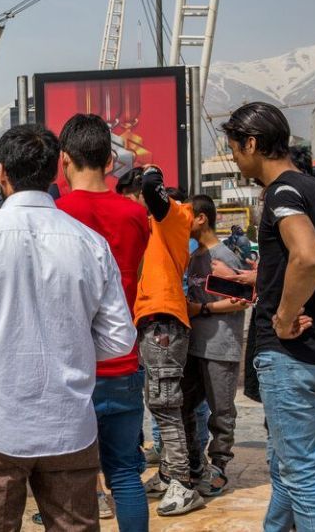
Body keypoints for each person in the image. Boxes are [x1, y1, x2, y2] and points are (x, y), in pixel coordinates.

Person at [0, 123, 136, 532]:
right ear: (57, 168)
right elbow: (118, 339)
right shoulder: (90, 243)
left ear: (1, 173)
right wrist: (71, 345)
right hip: (70, 424)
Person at [222, 102, 315, 532]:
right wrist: (261, 276)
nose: (233, 158)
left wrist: (284, 317)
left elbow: (308, 255)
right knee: (285, 469)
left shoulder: (283, 192)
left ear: (251, 143)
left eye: (234, 148)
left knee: (302, 475)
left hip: (290, 354)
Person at [55, 113, 150, 531]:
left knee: (70, 483)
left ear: (64, 160)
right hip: (123, 361)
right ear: (110, 160)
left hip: (71, 368)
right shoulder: (133, 216)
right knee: (126, 473)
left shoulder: (57, 214)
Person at [129, 163, 205, 516]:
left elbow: (151, 185)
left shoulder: (175, 215)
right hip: (157, 321)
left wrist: (150, 169)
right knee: (163, 402)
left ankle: (183, 483)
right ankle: (170, 472)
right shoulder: (162, 227)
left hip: (164, 321)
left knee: (165, 405)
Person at [181, 195, 250, 499]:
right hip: (195, 347)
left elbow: (240, 299)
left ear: (201, 218)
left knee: (221, 411)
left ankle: (219, 465)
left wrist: (201, 310)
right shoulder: (195, 256)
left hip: (221, 346)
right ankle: (196, 464)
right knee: (182, 405)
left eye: (187, 215)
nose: (183, 222)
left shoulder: (223, 256)